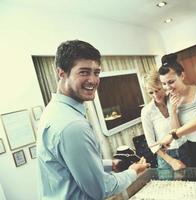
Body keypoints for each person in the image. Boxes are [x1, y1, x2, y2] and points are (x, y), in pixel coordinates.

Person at [36, 40, 149, 200]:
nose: (93, 80)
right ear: (61, 73)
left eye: (96, 72)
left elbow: (69, 167)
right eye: (84, 72)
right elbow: (101, 188)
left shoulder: (53, 111)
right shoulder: (73, 126)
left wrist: (111, 164)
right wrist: (134, 172)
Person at [141, 70, 190, 170]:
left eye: (158, 90)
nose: (155, 95)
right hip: (166, 157)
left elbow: (179, 129)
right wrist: (171, 161)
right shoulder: (146, 112)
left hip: (186, 149)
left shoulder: (175, 99)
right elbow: (151, 143)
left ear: (163, 85)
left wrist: (173, 110)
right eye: (151, 92)